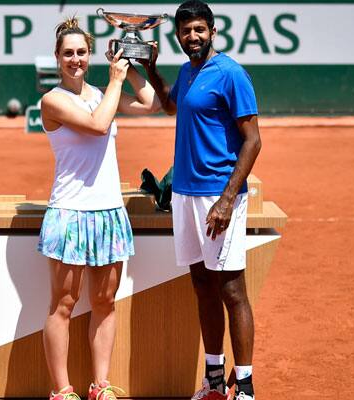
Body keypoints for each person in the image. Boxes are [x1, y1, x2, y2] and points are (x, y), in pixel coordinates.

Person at [142, 1, 262, 399]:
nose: (191, 37)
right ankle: (213, 379)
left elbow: (253, 140)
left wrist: (228, 200)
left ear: (212, 30)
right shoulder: (187, 72)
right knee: (201, 284)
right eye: (185, 31)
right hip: (186, 195)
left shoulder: (231, 74)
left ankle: (243, 386)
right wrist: (152, 70)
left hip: (218, 196)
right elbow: (173, 105)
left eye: (198, 29)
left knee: (231, 288)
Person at [37, 17, 160, 400]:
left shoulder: (102, 91)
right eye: (68, 53)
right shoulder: (53, 100)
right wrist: (117, 79)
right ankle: (62, 391)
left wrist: (133, 64)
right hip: (69, 213)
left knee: (104, 303)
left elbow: (150, 103)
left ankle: (100, 387)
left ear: (91, 55)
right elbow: (96, 125)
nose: (75, 59)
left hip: (108, 212)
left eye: (81, 52)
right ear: (57, 59)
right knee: (64, 305)